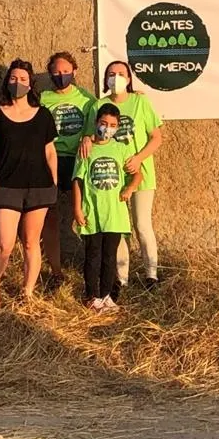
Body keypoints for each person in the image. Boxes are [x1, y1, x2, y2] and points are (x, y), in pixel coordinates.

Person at [0, 59, 59, 311]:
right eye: (14, 78)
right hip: (6, 187)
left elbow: (50, 151)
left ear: (30, 83)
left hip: (39, 187)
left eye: (23, 79)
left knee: (30, 242)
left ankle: (27, 292)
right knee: (5, 244)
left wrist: (53, 182)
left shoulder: (43, 115)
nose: (18, 83)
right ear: (7, 82)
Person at [82, 61, 164, 292]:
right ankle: (121, 277)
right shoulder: (99, 105)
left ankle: (151, 274)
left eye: (120, 73)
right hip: (111, 177)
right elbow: (90, 135)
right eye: (111, 74)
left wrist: (138, 158)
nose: (115, 77)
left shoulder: (140, 102)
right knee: (116, 228)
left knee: (141, 224)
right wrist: (86, 138)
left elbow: (156, 137)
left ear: (129, 78)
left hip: (139, 173)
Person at [73, 103, 142, 312]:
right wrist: (77, 208)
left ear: (118, 127)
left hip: (115, 214)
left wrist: (130, 188)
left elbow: (137, 175)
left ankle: (106, 295)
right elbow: (77, 181)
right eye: (103, 123)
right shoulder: (86, 149)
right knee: (93, 255)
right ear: (96, 123)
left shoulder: (121, 149)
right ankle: (91, 296)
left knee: (109, 256)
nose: (107, 128)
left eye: (112, 125)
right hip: (93, 213)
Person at [38, 51, 97, 290]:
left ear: (74, 71)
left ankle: (92, 267)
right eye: (56, 72)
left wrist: (87, 136)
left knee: (84, 214)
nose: (61, 76)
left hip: (78, 161)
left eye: (65, 71)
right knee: (50, 216)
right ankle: (56, 271)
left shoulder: (87, 99)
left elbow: (96, 126)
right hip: (51, 161)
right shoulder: (43, 98)